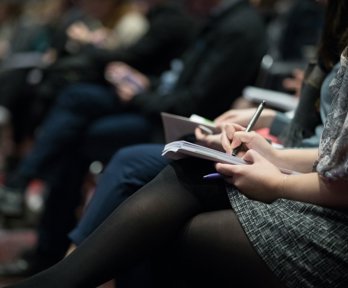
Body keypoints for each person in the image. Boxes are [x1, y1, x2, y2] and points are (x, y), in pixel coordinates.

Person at [4, 29, 348, 288]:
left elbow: (339, 179)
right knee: (182, 164)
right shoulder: (336, 31)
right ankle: (61, 271)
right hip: (309, 178)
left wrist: (279, 181)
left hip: (334, 226)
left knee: (159, 212)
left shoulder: (233, 26)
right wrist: (273, 153)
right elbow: (334, 153)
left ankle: (61, 272)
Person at [0, 0, 267, 278]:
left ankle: (62, 261)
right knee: (75, 104)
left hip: (187, 127)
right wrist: (145, 84)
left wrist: (140, 95)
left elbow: (193, 102)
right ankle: (56, 255)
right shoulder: (216, 18)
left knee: (95, 142)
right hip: (164, 108)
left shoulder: (235, 27)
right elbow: (178, 81)